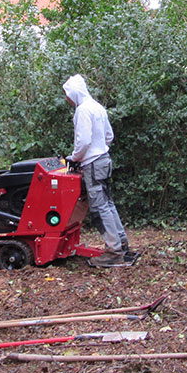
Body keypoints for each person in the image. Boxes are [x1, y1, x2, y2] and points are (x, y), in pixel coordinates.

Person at [63, 74, 131, 268]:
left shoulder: (83, 110)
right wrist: (99, 148)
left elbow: (83, 141)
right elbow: (109, 136)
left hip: (93, 164)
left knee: (99, 208)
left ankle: (113, 252)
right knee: (108, 203)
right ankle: (121, 242)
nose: (67, 99)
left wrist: (74, 158)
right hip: (104, 160)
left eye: (67, 95)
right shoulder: (98, 107)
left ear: (74, 93)